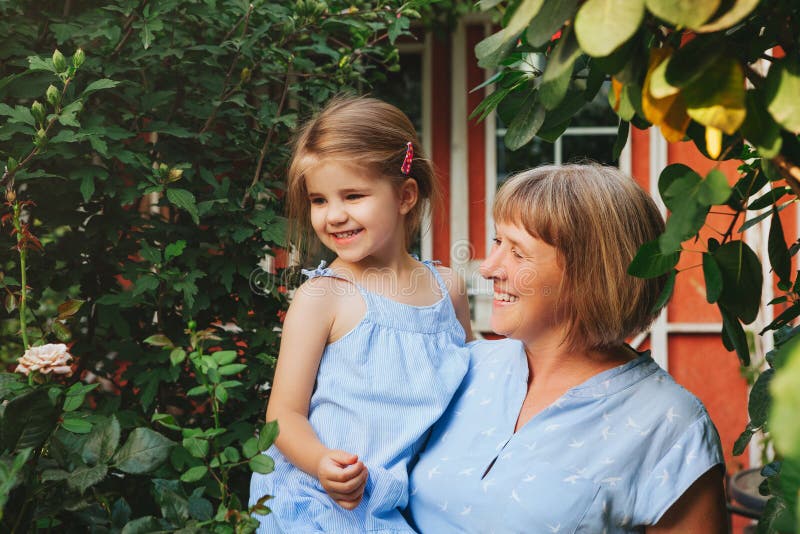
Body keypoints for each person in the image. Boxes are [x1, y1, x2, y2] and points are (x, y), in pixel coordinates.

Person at [406, 164, 728, 533]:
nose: (489, 268)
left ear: (589, 273)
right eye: (498, 243)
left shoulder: (671, 425)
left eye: (518, 253)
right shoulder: (464, 368)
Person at [249, 96, 473, 533]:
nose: (333, 215)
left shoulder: (448, 290)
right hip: (320, 500)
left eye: (352, 195)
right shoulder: (323, 298)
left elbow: (469, 397)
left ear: (405, 195)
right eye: (318, 200)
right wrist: (320, 462)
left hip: (402, 502)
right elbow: (283, 416)